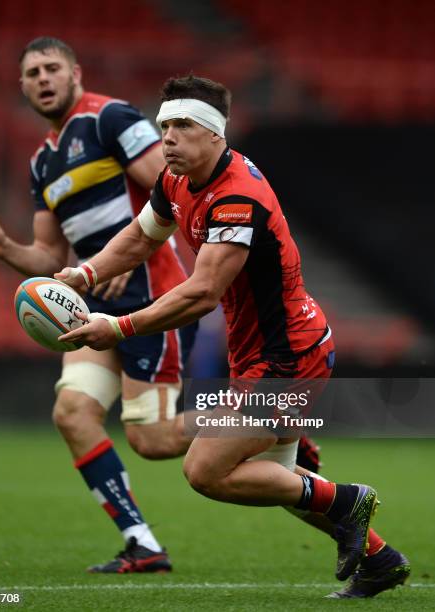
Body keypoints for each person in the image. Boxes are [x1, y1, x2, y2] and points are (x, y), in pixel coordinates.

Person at [56, 74, 410, 598]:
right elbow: (138, 237)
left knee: (205, 470)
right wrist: (85, 275)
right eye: (164, 125)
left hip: (289, 357)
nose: (167, 137)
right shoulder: (177, 180)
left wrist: (120, 326)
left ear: (215, 134)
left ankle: (347, 498)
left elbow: (201, 294)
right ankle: (380, 560)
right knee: (281, 485)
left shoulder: (237, 198)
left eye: (182, 126)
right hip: (260, 354)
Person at [0, 37, 200, 574]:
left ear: (75, 72)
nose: (43, 78)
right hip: (91, 301)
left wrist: (116, 258)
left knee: (155, 438)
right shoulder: (41, 163)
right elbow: (50, 255)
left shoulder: (109, 118)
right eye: (32, 73)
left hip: (150, 293)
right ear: (23, 86)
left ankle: (265, 419)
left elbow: (169, 190)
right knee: (72, 413)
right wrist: (6, 250)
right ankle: (143, 543)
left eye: (53, 68)